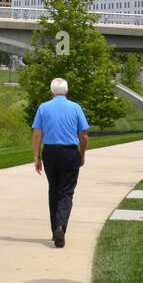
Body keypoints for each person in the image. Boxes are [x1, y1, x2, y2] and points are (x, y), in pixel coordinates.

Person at [31, 77, 89, 249]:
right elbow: (84, 135)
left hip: (50, 152)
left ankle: (54, 228)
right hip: (70, 151)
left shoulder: (43, 107)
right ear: (67, 91)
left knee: (54, 190)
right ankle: (60, 227)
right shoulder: (76, 107)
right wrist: (82, 153)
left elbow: (37, 134)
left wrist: (36, 157)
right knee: (66, 192)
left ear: (51, 92)